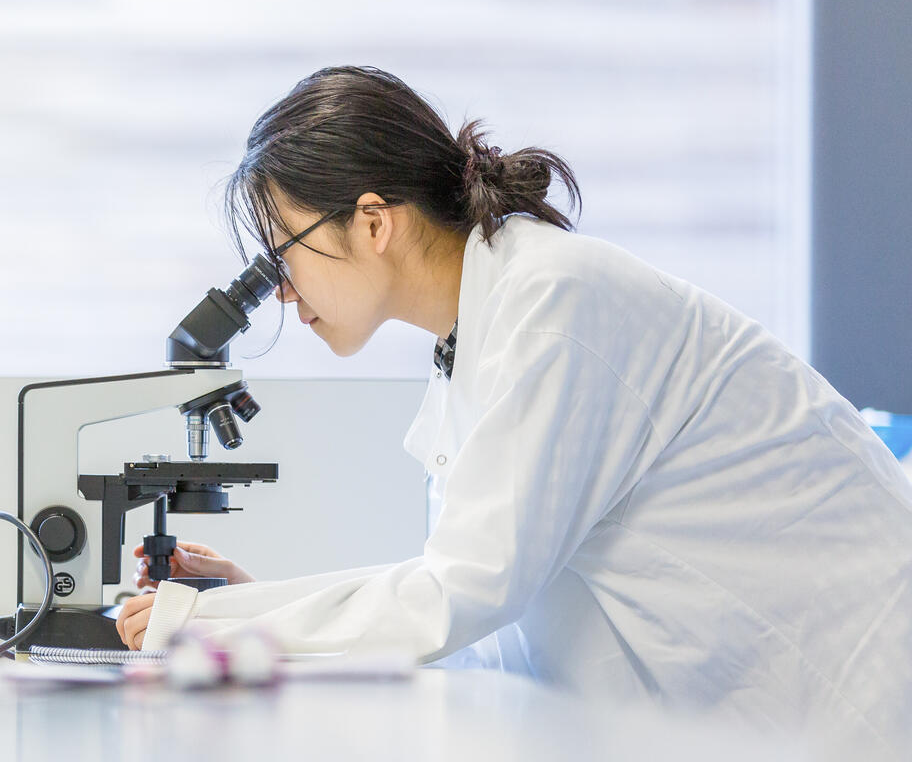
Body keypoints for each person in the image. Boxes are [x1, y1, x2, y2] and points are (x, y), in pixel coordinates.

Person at [113, 66, 912, 751]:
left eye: (283, 255)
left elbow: (457, 600)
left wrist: (213, 629)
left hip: (858, 699)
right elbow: (484, 633)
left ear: (373, 222)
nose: (282, 292)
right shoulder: (479, 335)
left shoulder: (554, 302)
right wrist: (256, 611)